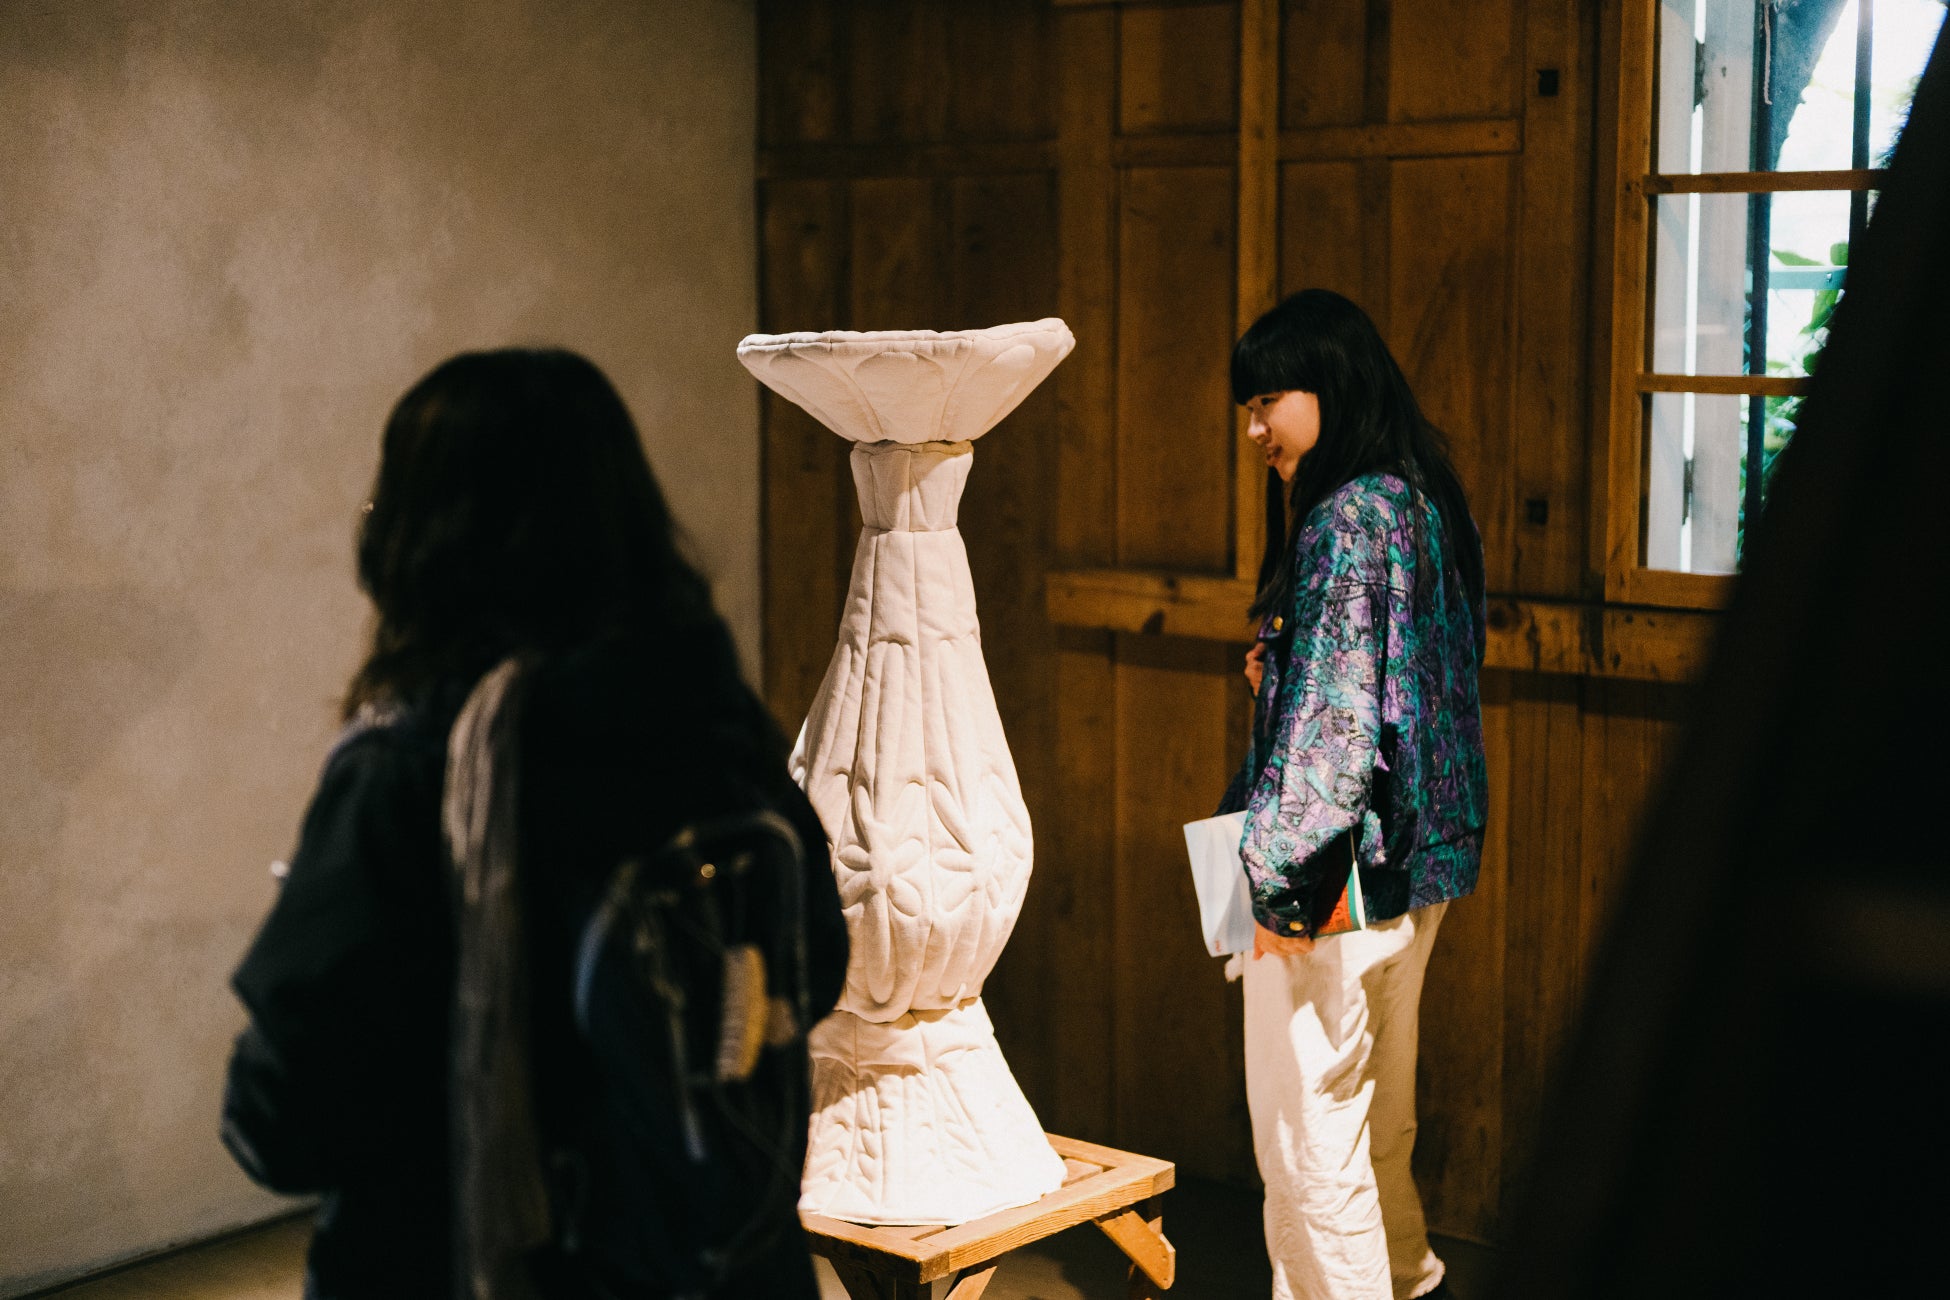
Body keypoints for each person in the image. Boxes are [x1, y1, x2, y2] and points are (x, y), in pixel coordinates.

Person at [220, 349, 849, 1299]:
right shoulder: (713, 724)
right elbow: (817, 965)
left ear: (418, 540)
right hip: (722, 1265)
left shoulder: (412, 770)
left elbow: (283, 1116)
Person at [1216, 291, 1488, 1300]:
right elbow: (1423, 675)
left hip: (1332, 869)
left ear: (1329, 383)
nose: (1256, 430)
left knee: (1308, 1136)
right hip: (1418, 861)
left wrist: (1277, 885)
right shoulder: (1421, 497)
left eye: (1267, 402)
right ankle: (1411, 1280)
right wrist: (1280, 671)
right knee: (1374, 1114)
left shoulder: (1343, 517)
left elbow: (1334, 727)